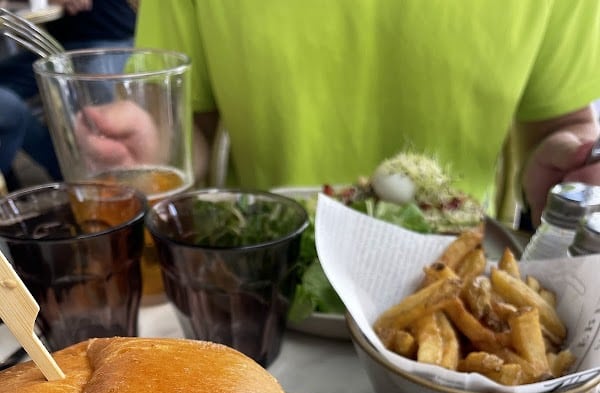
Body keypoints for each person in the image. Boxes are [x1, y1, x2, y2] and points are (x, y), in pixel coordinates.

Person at [84, 1, 600, 226]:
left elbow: (559, 127)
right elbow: (186, 127)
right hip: (258, 281)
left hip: (459, 284)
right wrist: (151, 150)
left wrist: (573, 170)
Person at [0, 0, 136, 187]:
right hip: (60, 45)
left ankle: (85, 176)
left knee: (100, 125)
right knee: (7, 102)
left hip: (107, 37)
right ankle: (69, 170)